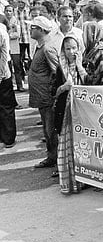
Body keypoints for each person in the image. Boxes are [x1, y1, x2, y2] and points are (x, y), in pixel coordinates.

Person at [54, 36, 88, 188]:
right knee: (68, 145)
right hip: (65, 112)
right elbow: (53, 91)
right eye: (68, 48)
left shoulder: (87, 63)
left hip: (83, 111)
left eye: (74, 48)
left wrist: (80, 66)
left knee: (83, 145)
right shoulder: (60, 68)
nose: (71, 51)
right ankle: (70, 180)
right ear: (63, 50)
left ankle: (85, 180)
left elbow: (91, 83)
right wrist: (64, 87)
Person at [29, 16, 59, 169]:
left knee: (51, 130)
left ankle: (56, 160)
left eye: (33, 27)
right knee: (47, 131)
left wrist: (53, 96)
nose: (30, 30)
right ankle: (51, 157)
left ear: (41, 30)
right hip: (41, 97)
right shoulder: (40, 46)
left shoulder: (47, 48)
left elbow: (57, 73)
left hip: (47, 98)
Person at [0, 21, 17, 149]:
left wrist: (1, 74)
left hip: (3, 75)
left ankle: (8, 138)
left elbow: (4, 54)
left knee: (6, 106)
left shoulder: (1, 30)